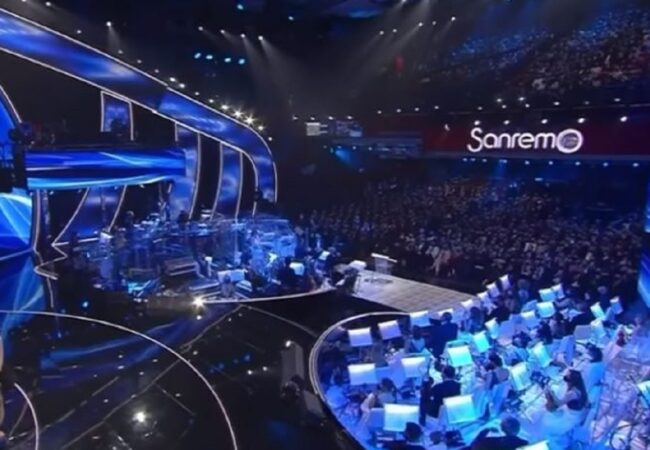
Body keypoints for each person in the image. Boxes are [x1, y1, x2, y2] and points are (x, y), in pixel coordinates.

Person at [535, 369, 589, 449]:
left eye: (567, 376)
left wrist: (551, 393)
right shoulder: (579, 387)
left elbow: (558, 403)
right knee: (554, 413)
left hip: (572, 417)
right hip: (577, 413)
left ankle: (557, 445)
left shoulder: (572, 393)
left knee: (548, 422)